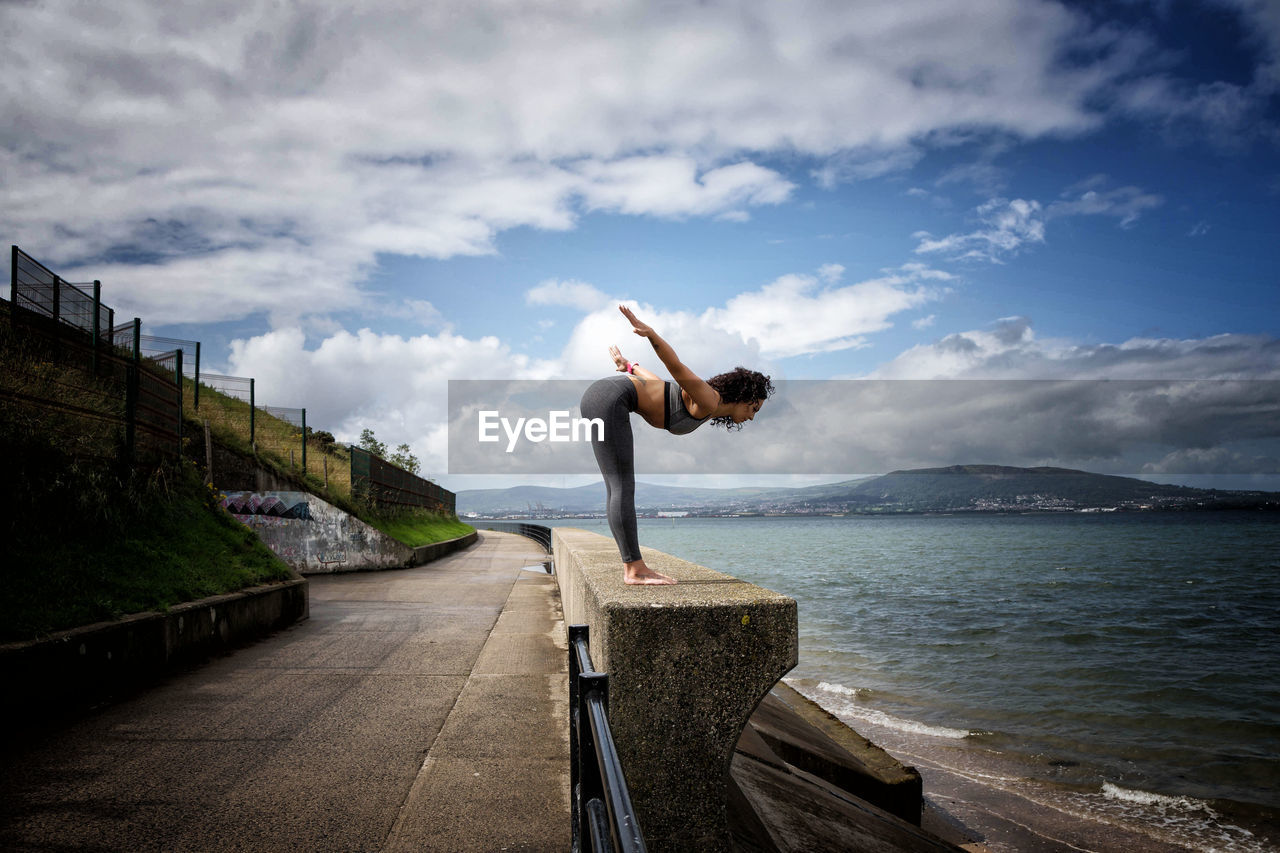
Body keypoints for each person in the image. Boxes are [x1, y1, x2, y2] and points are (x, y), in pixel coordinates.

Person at [579, 305, 774, 585]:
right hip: (608, 398)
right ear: (743, 396)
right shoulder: (709, 399)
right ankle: (634, 570)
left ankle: (633, 567)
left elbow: (654, 381)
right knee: (622, 486)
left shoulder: (700, 402)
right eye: (753, 408)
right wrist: (652, 335)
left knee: (617, 486)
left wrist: (629, 366)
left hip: (603, 396)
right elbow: (677, 367)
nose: (752, 416)